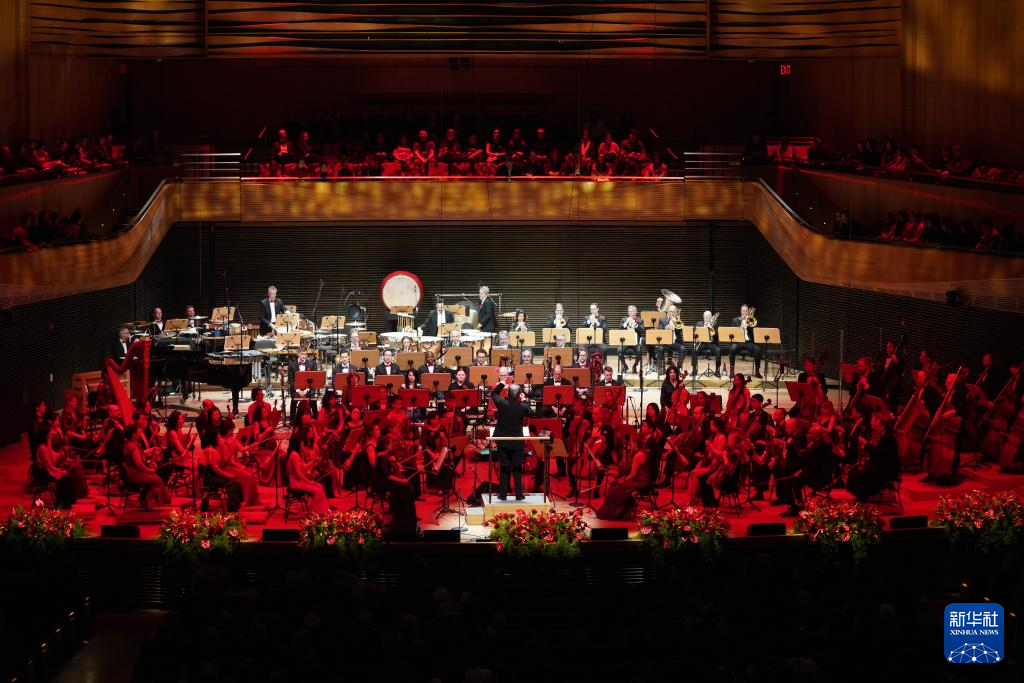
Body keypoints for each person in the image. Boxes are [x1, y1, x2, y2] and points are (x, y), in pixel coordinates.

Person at [491, 379, 534, 500]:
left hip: (503, 441)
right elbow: (530, 412)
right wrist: (524, 400)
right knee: (517, 467)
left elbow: (494, 393)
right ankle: (519, 495)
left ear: (507, 393)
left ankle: (503, 494)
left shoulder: (502, 403)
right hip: (517, 442)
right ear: (519, 394)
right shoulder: (522, 406)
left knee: (504, 468)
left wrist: (502, 383)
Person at [847, 411, 900, 502]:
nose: (872, 423)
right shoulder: (883, 435)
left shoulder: (887, 438)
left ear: (881, 424)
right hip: (881, 465)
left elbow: (879, 455)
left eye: (874, 421)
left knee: (861, 473)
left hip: (886, 469)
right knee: (855, 470)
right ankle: (860, 496)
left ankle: (862, 497)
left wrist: (866, 444)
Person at [35, 423, 89, 508]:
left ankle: (70, 501)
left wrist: (61, 454)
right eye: (50, 432)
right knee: (66, 478)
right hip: (46, 474)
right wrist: (60, 472)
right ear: (46, 434)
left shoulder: (45, 446)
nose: (52, 433)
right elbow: (49, 467)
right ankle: (63, 504)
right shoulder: (42, 448)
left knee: (70, 474)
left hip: (50, 470)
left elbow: (53, 459)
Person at [123, 425, 171, 507]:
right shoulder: (132, 446)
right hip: (134, 472)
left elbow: (140, 457)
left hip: (131, 470)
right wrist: (149, 470)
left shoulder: (129, 443)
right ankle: (146, 498)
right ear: (133, 434)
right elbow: (138, 464)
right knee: (157, 479)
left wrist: (152, 450)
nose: (139, 434)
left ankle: (145, 497)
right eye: (138, 432)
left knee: (163, 470)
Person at [728, 304, 763, 378]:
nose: (744, 312)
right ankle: (732, 371)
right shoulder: (735, 320)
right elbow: (733, 333)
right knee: (732, 348)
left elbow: (754, 333)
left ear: (748, 311)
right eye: (743, 311)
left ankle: (757, 371)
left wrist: (748, 325)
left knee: (758, 349)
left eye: (745, 311)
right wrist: (741, 327)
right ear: (740, 311)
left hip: (748, 342)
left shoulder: (751, 320)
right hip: (738, 342)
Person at [288, 349, 319, 420]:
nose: (303, 356)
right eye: (302, 354)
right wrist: (298, 390)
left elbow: (313, 379)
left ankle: (315, 418)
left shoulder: (311, 364)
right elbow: (291, 380)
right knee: (294, 400)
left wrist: (306, 390)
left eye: (305, 354)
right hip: (296, 389)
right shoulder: (292, 365)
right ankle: (292, 420)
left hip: (308, 388)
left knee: (313, 400)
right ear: (298, 354)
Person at [691, 311, 722, 377]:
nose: (706, 319)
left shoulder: (715, 324)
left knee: (718, 350)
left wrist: (711, 328)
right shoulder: (699, 324)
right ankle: (694, 370)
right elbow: (696, 334)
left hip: (712, 343)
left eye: (708, 317)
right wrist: (703, 329)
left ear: (711, 317)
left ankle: (717, 370)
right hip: (702, 343)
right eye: (705, 317)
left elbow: (718, 336)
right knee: (694, 350)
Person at [619, 305, 645, 373]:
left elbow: (642, 330)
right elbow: (620, 328)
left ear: (636, 312)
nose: (630, 313)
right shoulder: (624, 319)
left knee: (639, 351)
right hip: (626, 341)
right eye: (629, 311)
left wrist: (636, 325)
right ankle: (625, 366)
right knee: (619, 351)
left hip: (636, 341)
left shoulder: (640, 320)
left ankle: (635, 365)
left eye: (632, 311)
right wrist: (626, 323)